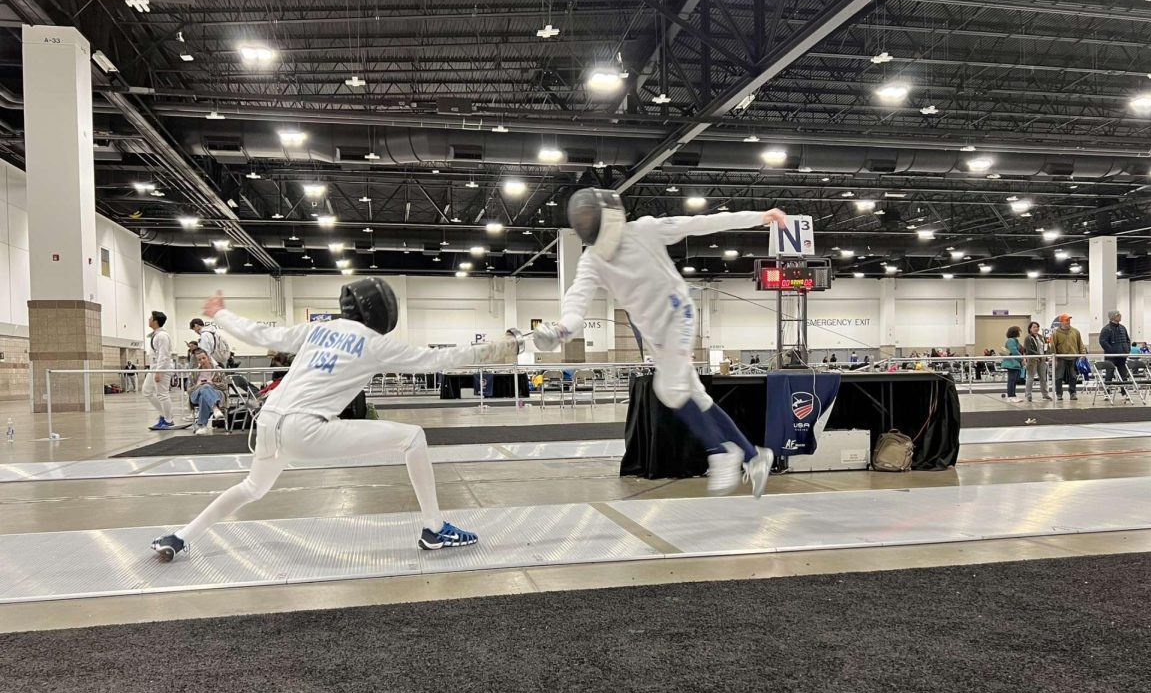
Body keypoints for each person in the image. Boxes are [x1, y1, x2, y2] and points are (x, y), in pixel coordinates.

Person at [150, 278, 522, 562]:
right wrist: (507, 346)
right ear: (380, 312)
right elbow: (440, 360)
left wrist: (220, 312)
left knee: (252, 487)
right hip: (306, 429)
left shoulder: (318, 328)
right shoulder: (374, 343)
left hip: (268, 423)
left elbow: (261, 332)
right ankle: (435, 529)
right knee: (413, 437)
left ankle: (180, 536)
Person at [532, 188, 780, 497]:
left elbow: (700, 223)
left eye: (589, 216)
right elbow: (576, 303)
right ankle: (754, 455)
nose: (586, 222)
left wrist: (759, 217)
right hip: (656, 337)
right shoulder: (592, 261)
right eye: (582, 219)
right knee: (696, 397)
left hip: (679, 313)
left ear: (607, 214)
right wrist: (560, 330)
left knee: (668, 389)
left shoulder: (645, 230)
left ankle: (721, 454)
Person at [143, 310, 176, 430]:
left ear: (155, 321)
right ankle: (165, 414)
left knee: (162, 394)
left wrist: (159, 371)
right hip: (154, 368)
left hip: (162, 368)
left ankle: (168, 420)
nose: (149, 319)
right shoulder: (156, 335)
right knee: (146, 391)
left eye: (151, 318)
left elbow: (164, 355)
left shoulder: (162, 336)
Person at [188, 350, 228, 436]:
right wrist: (198, 386)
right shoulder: (194, 372)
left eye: (203, 358)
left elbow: (225, 386)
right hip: (196, 394)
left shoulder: (218, 370)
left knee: (204, 395)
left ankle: (203, 426)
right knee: (204, 388)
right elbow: (189, 390)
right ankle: (215, 408)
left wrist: (212, 384)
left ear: (208, 358)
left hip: (216, 392)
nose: (202, 361)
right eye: (199, 359)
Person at [1049, 314, 1086, 401]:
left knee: (1073, 376)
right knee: (1059, 376)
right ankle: (1059, 394)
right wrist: (1054, 358)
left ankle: (1072, 393)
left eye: (1069, 320)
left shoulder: (1075, 332)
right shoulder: (1056, 333)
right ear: (1061, 322)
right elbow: (1053, 346)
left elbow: (1080, 343)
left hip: (1073, 357)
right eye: (1066, 320)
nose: (1068, 322)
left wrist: (1082, 354)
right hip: (1061, 358)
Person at [1098, 310, 1132, 398]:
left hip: (1122, 356)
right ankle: (1107, 392)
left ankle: (1124, 392)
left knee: (1123, 375)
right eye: (1118, 315)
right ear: (1113, 317)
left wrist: (1127, 349)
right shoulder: (1106, 329)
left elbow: (1128, 340)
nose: (1120, 316)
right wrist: (1112, 350)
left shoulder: (1123, 328)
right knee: (1109, 374)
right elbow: (1103, 342)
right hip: (1111, 357)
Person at [1023, 321, 1051, 401]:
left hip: (1042, 360)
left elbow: (1046, 347)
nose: (1036, 329)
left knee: (1043, 378)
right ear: (1030, 329)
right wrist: (1038, 354)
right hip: (1032, 360)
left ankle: (1045, 394)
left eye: (1037, 327)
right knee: (1030, 378)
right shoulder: (1028, 338)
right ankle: (1028, 395)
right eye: (1034, 327)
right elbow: (1028, 350)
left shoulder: (1042, 337)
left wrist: (1046, 355)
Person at [1001, 326, 1023, 401]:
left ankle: (1013, 394)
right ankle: (1011, 395)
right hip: (1011, 363)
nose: (1020, 333)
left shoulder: (1015, 340)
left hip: (1015, 363)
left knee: (1014, 380)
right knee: (1012, 380)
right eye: (1019, 331)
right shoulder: (1011, 341)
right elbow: (1014, 351)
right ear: (1015, 332)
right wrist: (1022, 359)